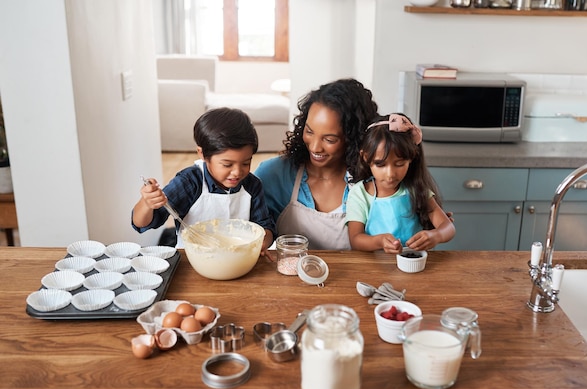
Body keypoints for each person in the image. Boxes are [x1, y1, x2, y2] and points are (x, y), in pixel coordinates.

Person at [132, 107, 276, 257]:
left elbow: (265, 226)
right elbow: (142, 223)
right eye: (227, 165)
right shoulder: (189, 182)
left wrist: (262, 242)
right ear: (202, 153)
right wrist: (147, 203)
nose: (237, 172)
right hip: (192, 260)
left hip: (238, 259)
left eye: (246, 163)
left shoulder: (252, 185)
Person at [254, 78, 379, 250]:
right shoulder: (273, 174)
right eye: (309, 131)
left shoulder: (372, 181)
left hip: (355, 276)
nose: (314, 147)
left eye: (329, 139)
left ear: (354, 139)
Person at [346, 113, 455, 254]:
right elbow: (355, 239)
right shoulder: (360, 194)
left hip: (415, 264)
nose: (390, 174)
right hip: (375, 268)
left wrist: (436, 235)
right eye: (380, 165)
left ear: (412, 158)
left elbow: (448, 227)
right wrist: (379, 241)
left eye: (399, 164)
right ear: (366, 157)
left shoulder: (415, 189)